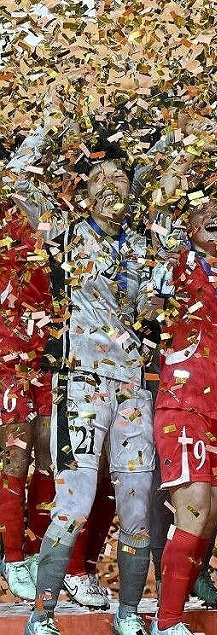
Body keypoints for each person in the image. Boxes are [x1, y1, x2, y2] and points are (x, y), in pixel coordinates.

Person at [11, 113, 164, 635]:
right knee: (73, 501)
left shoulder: (145, 246)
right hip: (82, 384)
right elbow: (17, 178)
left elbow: (151, 310)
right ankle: (42, 617)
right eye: (100, 180)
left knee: (137, 506)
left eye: (119, 179)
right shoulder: (68, 234)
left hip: (133, 389)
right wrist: (50, 121)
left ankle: (128, 616)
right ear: (85, 193)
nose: (110, 186)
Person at [149, 182, 217, 635]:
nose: (213, 215)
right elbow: (161, 211)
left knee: (208, 516)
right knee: (192, 511)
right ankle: (167, 622)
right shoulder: (179, 263)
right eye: (202, 209)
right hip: (184, 403)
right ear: (186, 224)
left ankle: (180, 601)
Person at [0, 201, 48, 601]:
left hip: (45, 356)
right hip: (6, 358)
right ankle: (14, 557)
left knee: (47, 454)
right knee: (14, 458)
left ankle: (31, 553)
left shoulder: (53, 207)